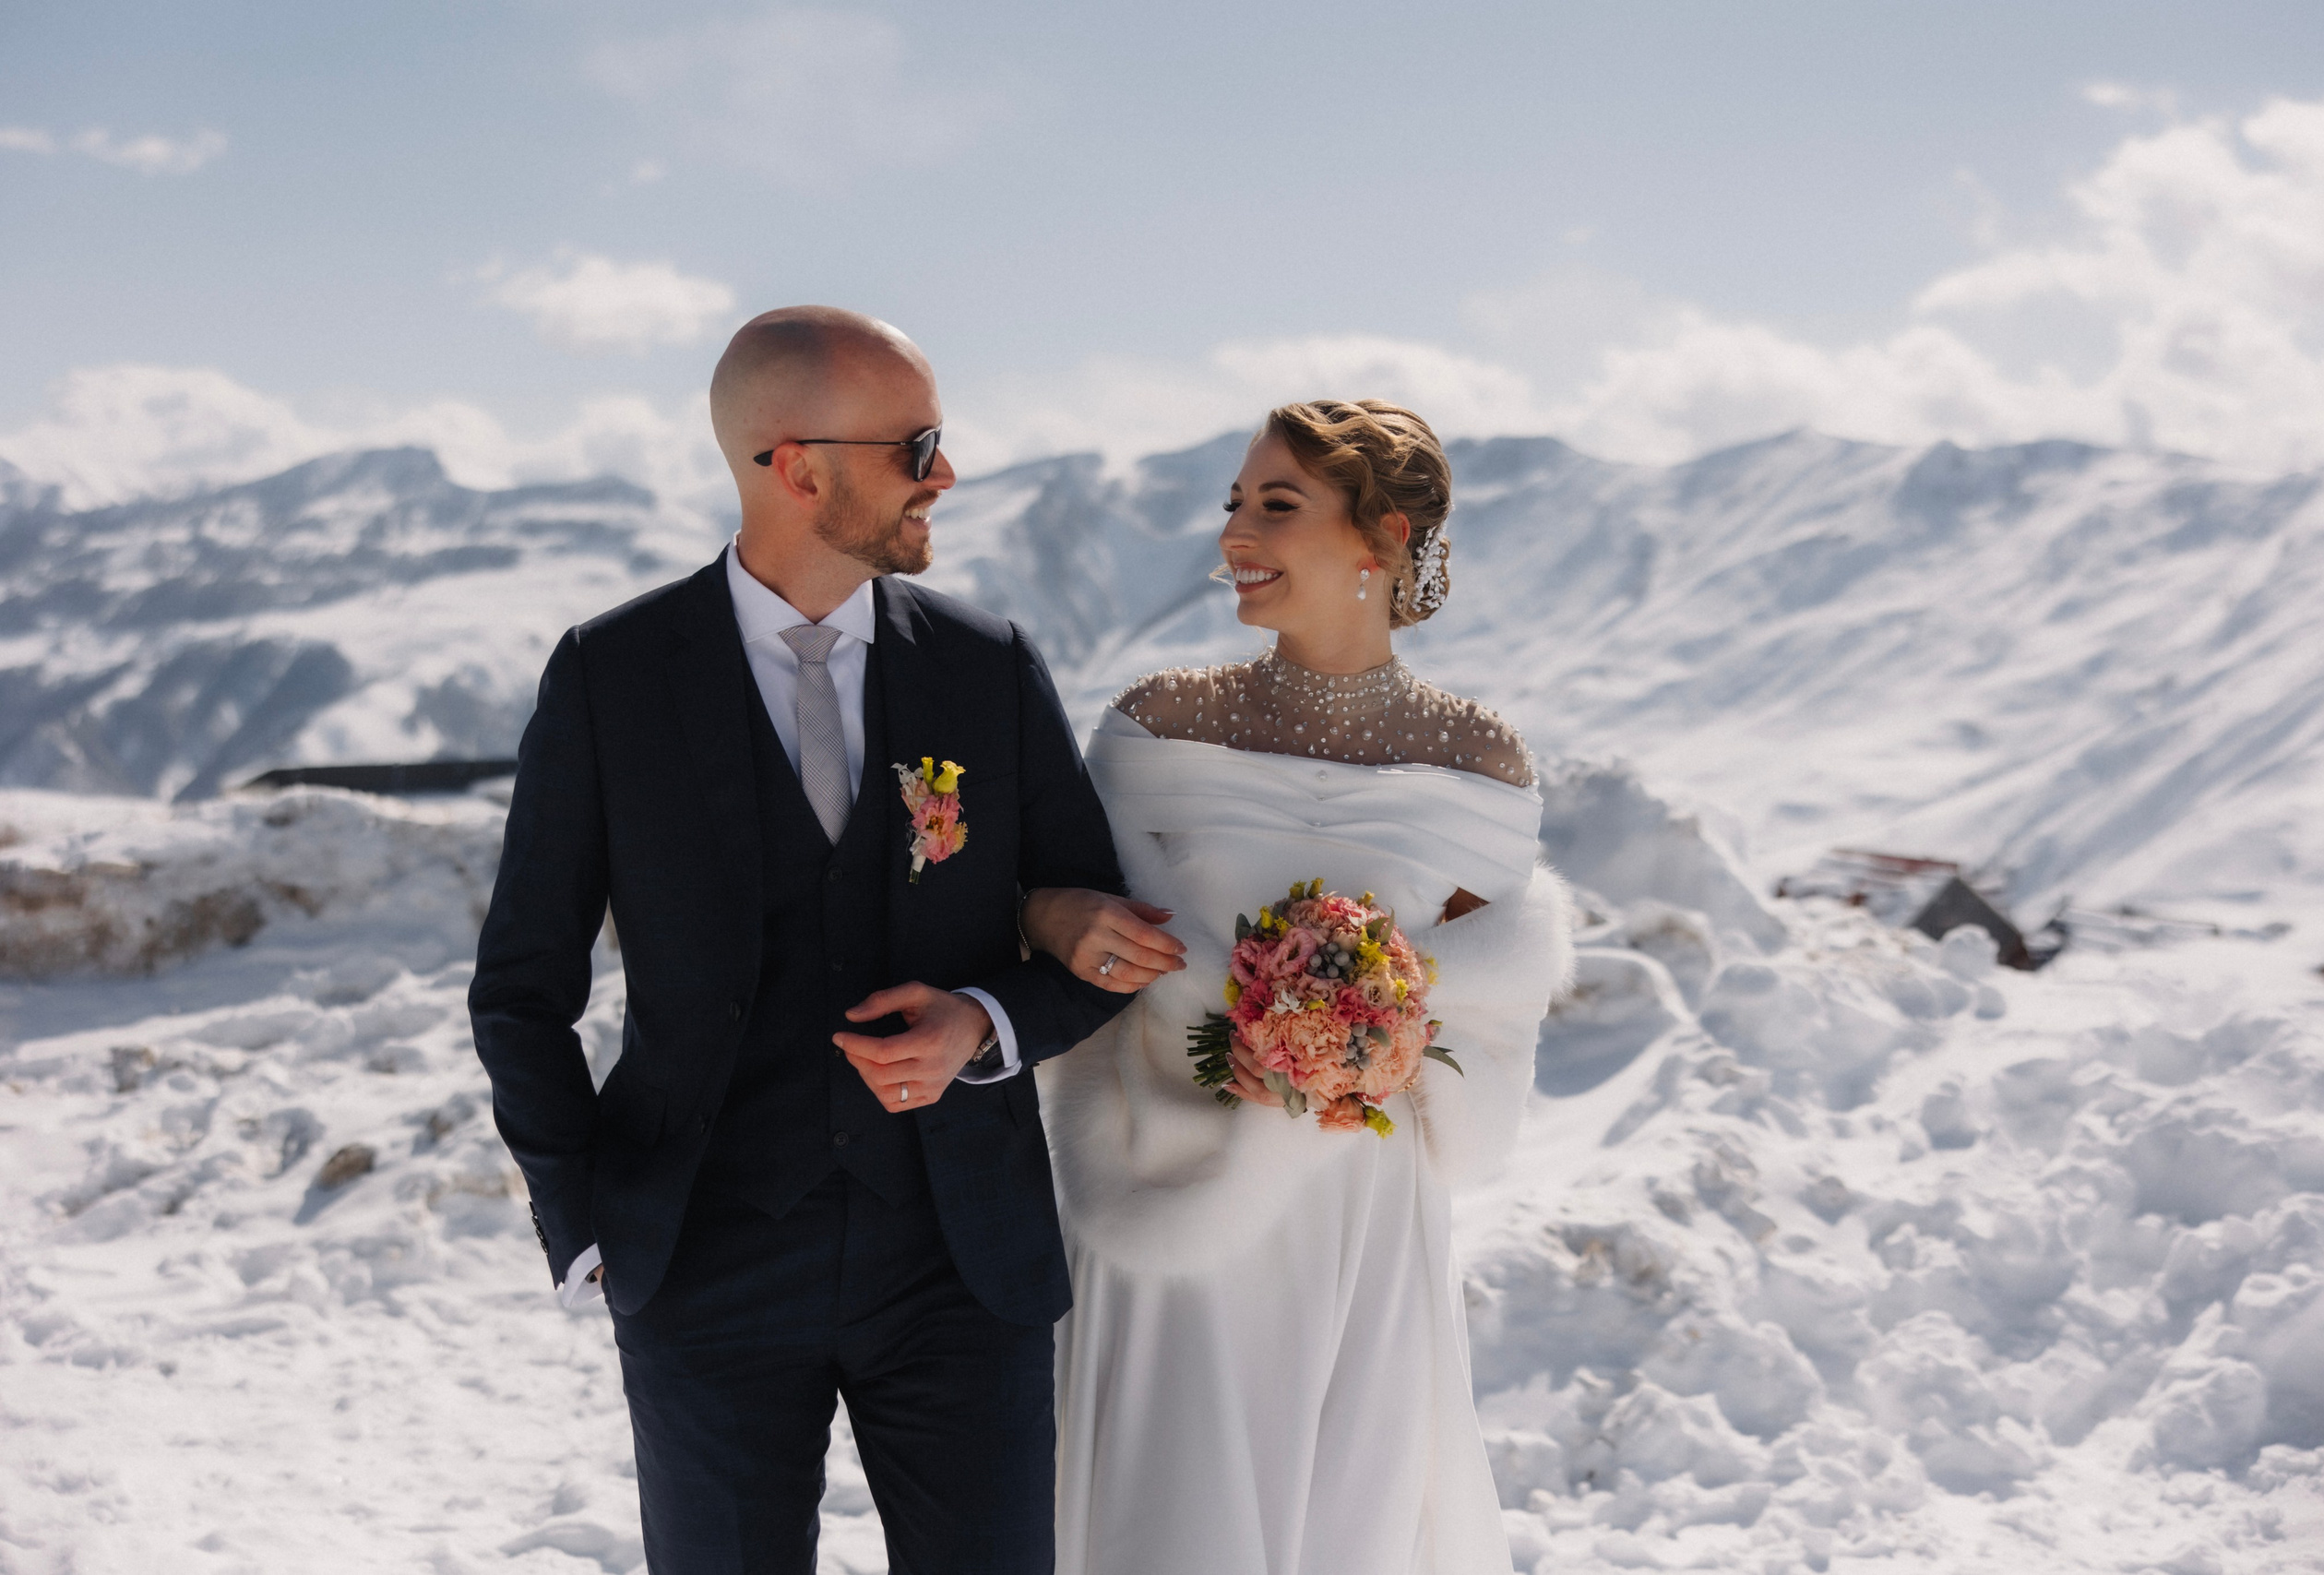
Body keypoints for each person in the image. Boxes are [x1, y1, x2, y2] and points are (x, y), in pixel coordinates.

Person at [469, 306, 1136, 1575]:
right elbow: (519, 987)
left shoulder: (985, 667)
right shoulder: (612, 677)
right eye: (917, 444)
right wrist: (586, 1223)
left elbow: (1090, 925)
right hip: (702, 1265)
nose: (946, 474)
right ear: (796, 464)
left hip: (961, 1263)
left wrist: (984, 1027)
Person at [1020, 400, 1577, 1574]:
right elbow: (1073, 932)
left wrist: (1381, 1019)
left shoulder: (1479, 763)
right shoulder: (1157, 725)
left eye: (1276, 504)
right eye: (1232, 504)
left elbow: (1489, 1007)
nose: (1233, 533)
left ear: (1378, 534)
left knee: (1352, 1528)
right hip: (1169, 1186)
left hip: (1359, 1201)